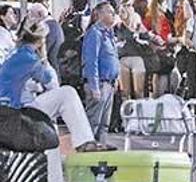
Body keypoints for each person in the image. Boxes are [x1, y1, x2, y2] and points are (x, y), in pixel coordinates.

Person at [0, 18, 113, 152]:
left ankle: (55, 171)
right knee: (67, 93)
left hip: (10, 110)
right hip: (15, 114)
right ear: (42, 40)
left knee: (50, 123)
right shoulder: (30, 58)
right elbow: (52, 83)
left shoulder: (15, 54)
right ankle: (85, 141)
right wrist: (44, 57)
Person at [82, 1, 121, 141]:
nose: (113, 14)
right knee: (94, 121)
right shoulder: (95, 33)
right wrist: (94, 86)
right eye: (110, 12)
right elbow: (91, 60)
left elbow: (113, 57)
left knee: (104, 124)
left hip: (109, 83)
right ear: (100, 14)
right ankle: (86, 150)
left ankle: (100, 152)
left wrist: (116, 78)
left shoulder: (109, 34)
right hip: (100, 83)